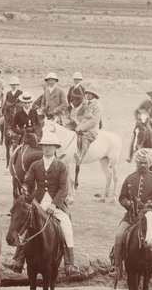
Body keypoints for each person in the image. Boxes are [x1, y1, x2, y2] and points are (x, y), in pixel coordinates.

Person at [13, 130, 75, 271]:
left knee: (66, 226)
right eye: (45, 146)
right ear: (41, 147)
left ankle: (69, 263)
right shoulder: (35, 165)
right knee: (24, 226)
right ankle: (18, 259)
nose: (47, 148)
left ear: (55, 148)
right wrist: (25, 188)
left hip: (56, 205)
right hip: (38, 204)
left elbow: (64, 189)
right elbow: (28, 182)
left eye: (50, 146)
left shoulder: (61, 166)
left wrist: (54, 204)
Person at [109, 147, 152, 281]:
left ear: (150, 163)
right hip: (131, 218)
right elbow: (122, 197)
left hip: (151, 218)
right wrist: (128, 204)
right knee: (119, 235)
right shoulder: (129, 179)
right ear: (136, 163)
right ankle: (117, 268)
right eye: (140, 162)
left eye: (145, 163)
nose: (142, 165)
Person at [128, 87, 152, 162]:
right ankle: (130, 157)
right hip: (144, 124)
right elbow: (137, 111)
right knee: (136, 137)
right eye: (150, 94)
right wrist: (138, 119)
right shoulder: (145, 102)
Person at [67, 84, 101, 157]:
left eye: (89, 94)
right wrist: (79, 123)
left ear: (94, 95)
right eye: (87, 93)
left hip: (91, 129)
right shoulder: (85, 102)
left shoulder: (98, 107)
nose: (87, 95)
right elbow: (79, 113)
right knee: (67, 129)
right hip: (81, 125)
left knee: (85, 138)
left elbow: (93, 122)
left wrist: (81, 127)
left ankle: (80, 156)